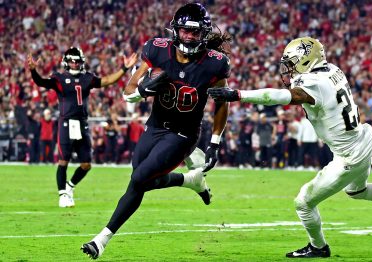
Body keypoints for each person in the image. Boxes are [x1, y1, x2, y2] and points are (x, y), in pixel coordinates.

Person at [208, 37, 372, 258]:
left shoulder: (313, 82)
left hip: (349, 153)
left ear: (307, 59)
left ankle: (318, 247)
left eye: (293, 63)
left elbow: (281, 97)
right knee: (357, 191)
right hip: (363, 139)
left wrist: (238, 94)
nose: (289, 69)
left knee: (303, 202)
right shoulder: (332, 70)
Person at [81, 3, 231, 259]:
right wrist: (144, 89)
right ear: (176, 30)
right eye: (185, 30)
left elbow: (222, 102)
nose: (190, 36)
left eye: (195, 32)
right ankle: (190, 180)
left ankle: (101, 239)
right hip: (156, 126)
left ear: (204, 34)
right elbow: (128, 93)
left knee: (139, 180)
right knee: (140, 177)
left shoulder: (215, 64)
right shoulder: (158, 50)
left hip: (184, 134)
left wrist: (215, 141)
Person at [27, 48, 137, 207]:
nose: (75, 63)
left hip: (82, 123)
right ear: (66, 62)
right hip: (66, 122)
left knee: (86, 164)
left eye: (77, 61)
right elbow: (41, 82)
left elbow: (106, 81)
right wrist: (33, 71)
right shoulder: (59, 78)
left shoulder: (87, 78)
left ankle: (69, 187)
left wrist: (125, 68)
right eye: (72, 61)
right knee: (63, 160)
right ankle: (62, 195)